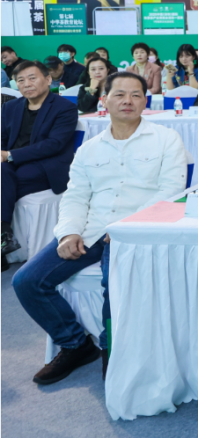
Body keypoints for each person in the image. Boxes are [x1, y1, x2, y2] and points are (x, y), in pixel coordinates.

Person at [13, 70, 187, 384]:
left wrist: (127, 227)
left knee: (114, 287)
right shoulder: (89, 148)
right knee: (27, 281)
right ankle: (75, 344)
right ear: (104, 100)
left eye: (136, 95)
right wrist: (68, 232)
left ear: (145, 101)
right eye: (119, 94)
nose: (128, 101)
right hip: (92, 231)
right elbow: (76, 195)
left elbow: (170, 192)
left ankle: (112, 351)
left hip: (135, 233)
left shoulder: (166, 139)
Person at [2, 61, 79, 253]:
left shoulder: (65, 107)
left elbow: (54, 144)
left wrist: (10, 155)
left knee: (9, 179)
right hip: (11, 163)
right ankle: (3, 232)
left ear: (48, 79)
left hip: (46, 164)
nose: (26, 84)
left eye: (32, 78)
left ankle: (4, 236)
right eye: (20, 80)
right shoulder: (11, 107)